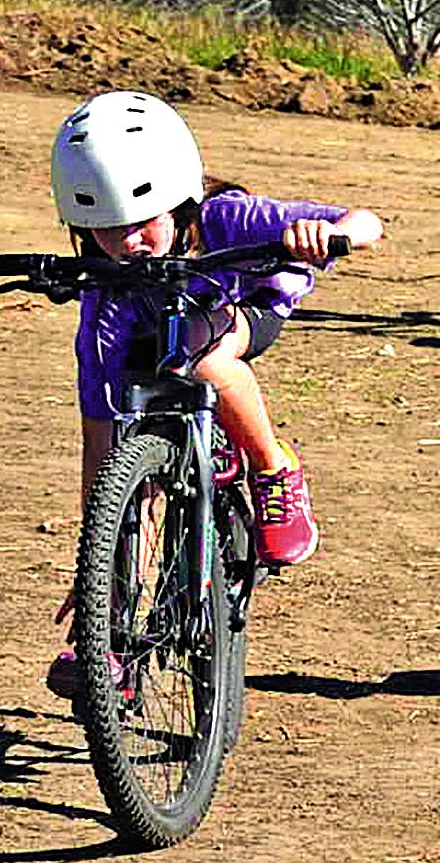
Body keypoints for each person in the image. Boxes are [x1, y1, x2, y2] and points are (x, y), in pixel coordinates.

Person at [46, 90, 384, 695]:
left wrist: (329, 236)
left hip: (244, 310)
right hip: (157, 331)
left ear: (179, 200)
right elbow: (98, 439)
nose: (126, 246)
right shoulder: (101, 307)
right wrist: (95, 565)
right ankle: (112, 638)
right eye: (104, 231)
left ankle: (275, 470)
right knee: (132, 487)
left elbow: (365, 221)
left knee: (206, 354)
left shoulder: (228, 218)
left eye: (141, 223)